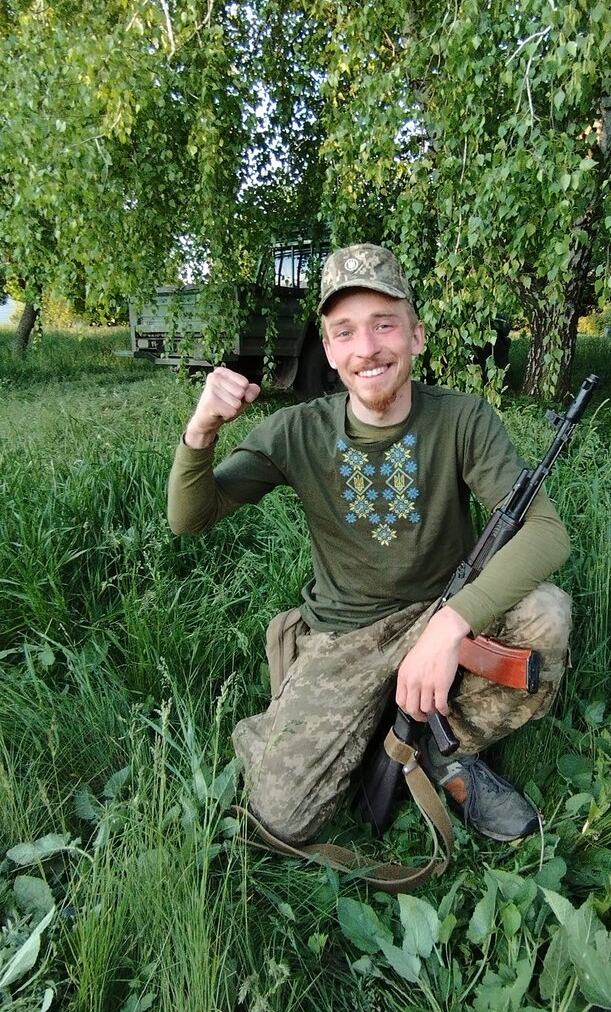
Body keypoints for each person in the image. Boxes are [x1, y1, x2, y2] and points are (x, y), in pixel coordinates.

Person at [167, 244, 572, 846]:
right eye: (345, 331)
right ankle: (344, 712)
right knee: (278, 813)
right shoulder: (297, 431)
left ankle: (447, 751)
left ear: (417, 335)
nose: (367, 348)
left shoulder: (463, 419)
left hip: (439, 615)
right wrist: (198, 432)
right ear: (328, 351)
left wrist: (449, 624)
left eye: (385, 324)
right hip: (345, 633)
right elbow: (190, 517)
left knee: (547, 614)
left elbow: (546, 530)